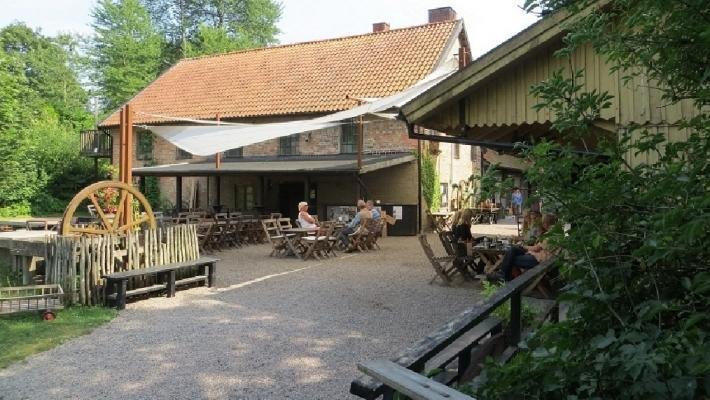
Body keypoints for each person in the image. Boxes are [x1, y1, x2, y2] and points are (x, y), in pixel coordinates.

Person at [495, 213, 557, 281]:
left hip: (540, 260)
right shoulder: (554, 232)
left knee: (510, 258)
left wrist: (523, 246)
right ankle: (504, 276)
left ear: (546, 223)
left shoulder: (549, 234)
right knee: (512, 250)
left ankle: (508, 279)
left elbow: (536, 248)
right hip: (537, 256)